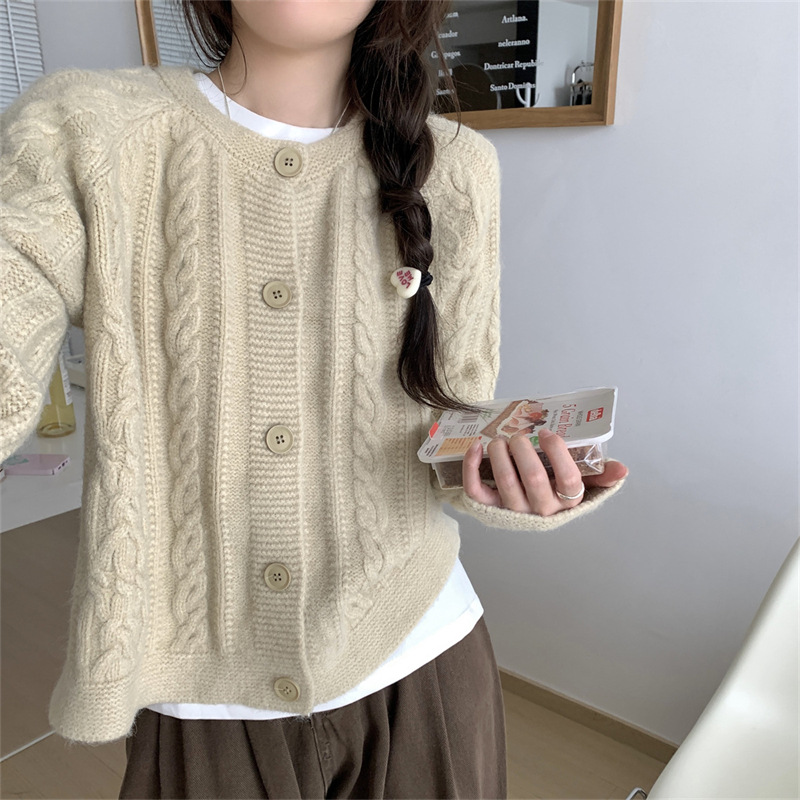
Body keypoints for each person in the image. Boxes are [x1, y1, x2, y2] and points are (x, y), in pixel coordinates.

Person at [0, 0, 629, 797]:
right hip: (201, 701)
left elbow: (448, 428)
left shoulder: (457, 168)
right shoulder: (86, 132)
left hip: (424, 662)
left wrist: (512, 477)